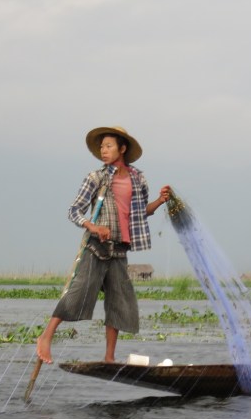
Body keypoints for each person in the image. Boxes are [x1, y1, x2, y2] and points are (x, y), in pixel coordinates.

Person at [35, 126, 170, 364]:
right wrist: (93, 226)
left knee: (119, 301)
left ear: (122, 148)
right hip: (96, 247)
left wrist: (160, 201)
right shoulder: (96, 178)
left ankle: (109, 357)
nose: (103, 151)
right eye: (101, 147)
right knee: (79, 292)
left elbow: (140, 213)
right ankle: (46, 337)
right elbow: (73, 211)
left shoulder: (138, 179)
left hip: (120, 249)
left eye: (108, 146)